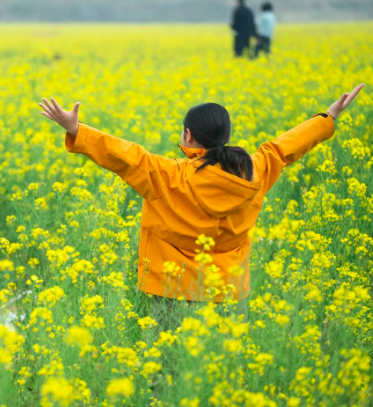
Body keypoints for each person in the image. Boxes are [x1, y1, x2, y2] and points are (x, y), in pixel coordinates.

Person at [38, 84, 364, 327]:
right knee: (219, 378)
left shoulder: (170, 175)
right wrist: (327, 118)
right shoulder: (255, 170)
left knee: (166, 376)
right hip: (229, 292)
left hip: (173, 289)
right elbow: (283, 149)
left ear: (188, 134)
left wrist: (75, 129)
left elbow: (126, 157)